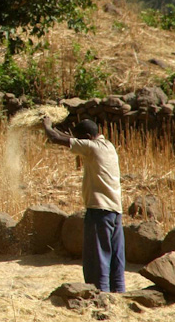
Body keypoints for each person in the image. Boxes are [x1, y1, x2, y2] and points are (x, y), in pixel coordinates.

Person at [42, 117, 125, 293]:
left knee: (97, 260)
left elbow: (55, 138)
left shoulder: (91, 148)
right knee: (115, 259)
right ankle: (119, 294)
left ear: (87, 137)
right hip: (115, 212)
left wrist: (46, 125)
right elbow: (68, 138)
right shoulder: (108, 146)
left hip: (99, 211)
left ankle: (100, 297)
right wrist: (59, 130)